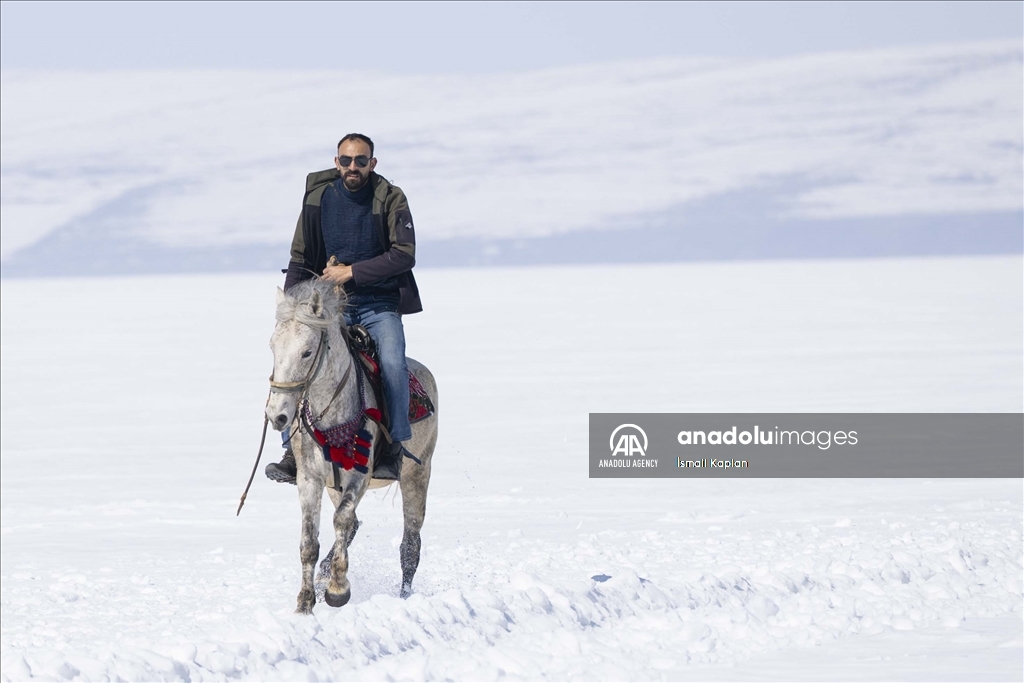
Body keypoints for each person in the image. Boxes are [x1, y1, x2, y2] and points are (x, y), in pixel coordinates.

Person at [266, 133, 422, 483]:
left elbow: (404, 254)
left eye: (361, 161)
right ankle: (291, 449)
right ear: (337, 162)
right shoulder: (319, 196)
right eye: (347, 160)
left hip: (378, 304)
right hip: (330, 307)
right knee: (295, 358)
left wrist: (351, 271)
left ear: (373, 163)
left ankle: (394, 449)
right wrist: (292, 311)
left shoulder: (390, 197)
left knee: (394, 363)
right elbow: (300, 257)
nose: (354, 167)